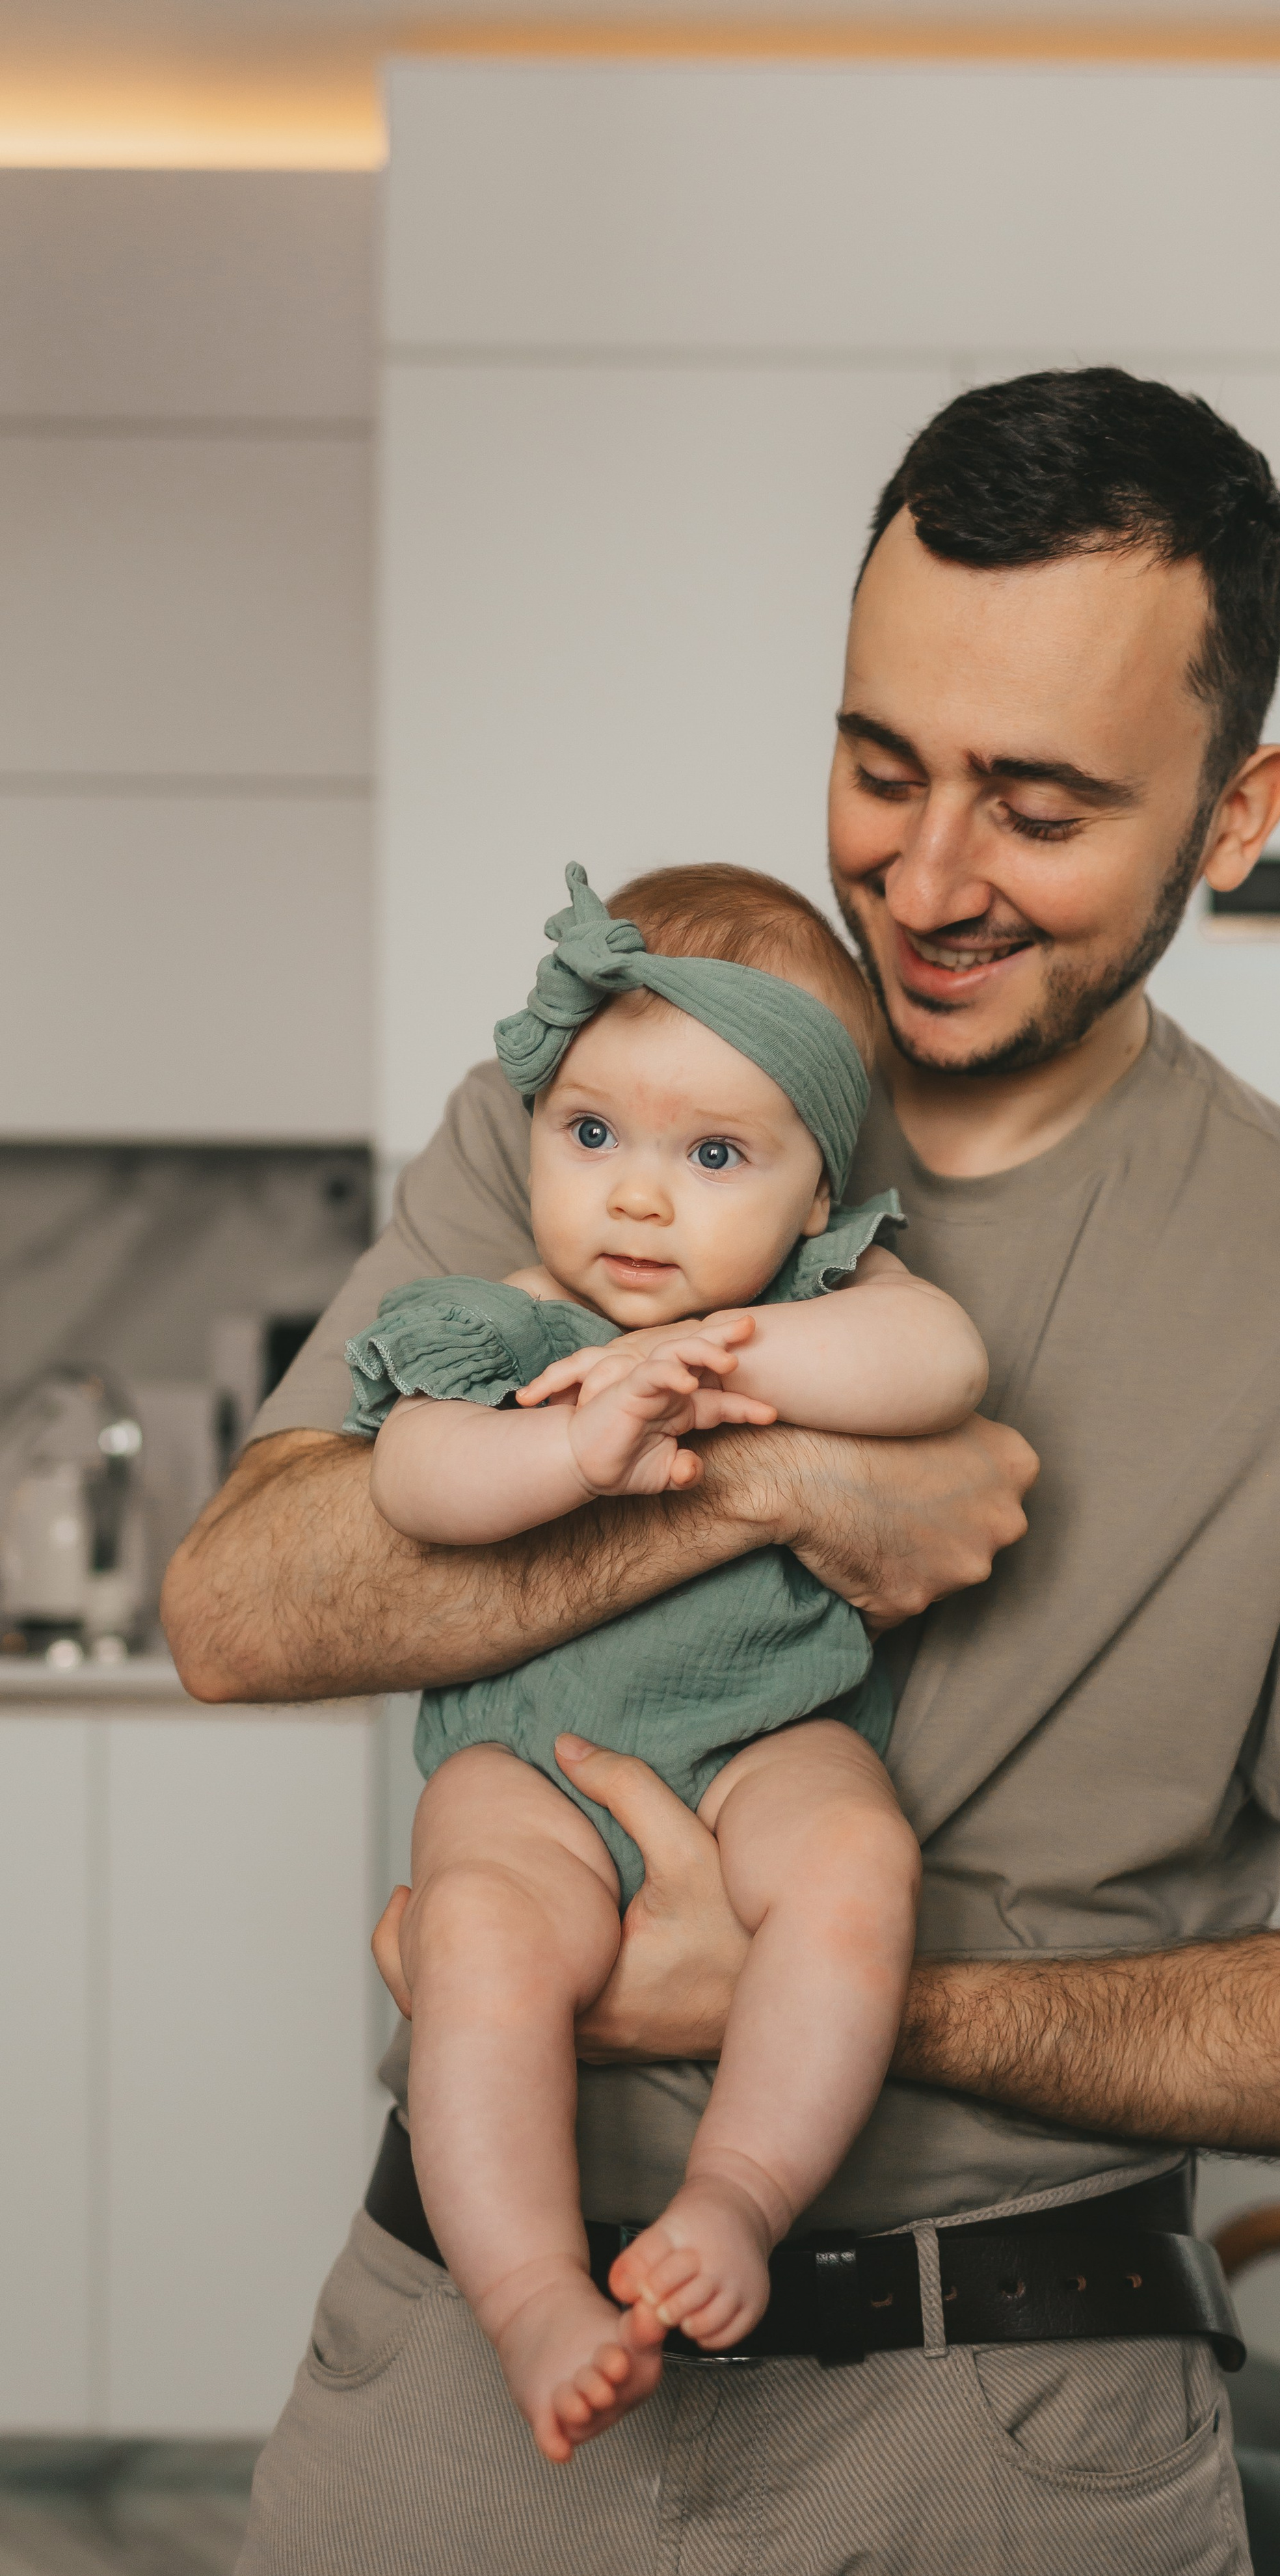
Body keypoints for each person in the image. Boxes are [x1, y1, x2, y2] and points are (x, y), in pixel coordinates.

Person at [166, 368, 1280, 2576]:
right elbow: (243, 1606)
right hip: (460, 2407)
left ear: (1235, 815)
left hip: (1011, 2456)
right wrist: (758, 1492)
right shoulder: (609, 1101)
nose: (926, 878)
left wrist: (825, 1997)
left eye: (1039, 806)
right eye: (883, 765)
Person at [349, 861, 983, 2460]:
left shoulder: (827, 1300)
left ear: (809, 1193)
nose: (636, 1199)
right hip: (533, 1761)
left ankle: (739, 2197)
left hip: (769, 1726)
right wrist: (570, 1453)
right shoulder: (506, 1316)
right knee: (478, 1937)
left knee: (853, 1861)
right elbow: (416, 1476)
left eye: (712, 1155)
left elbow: (942, 1363)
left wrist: (711, 1361)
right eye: (591, 1136)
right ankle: (529, 2294)